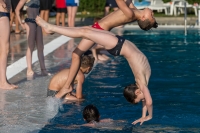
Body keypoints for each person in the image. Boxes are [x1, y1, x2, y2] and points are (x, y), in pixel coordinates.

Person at [36, 16, 154, 125]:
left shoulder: (141, 83)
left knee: (86, 31)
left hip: (119, 44)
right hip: (119, 45)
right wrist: (149, 116)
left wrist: (143, 115)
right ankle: (51, 28)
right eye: (141, 99)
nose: (144, 99)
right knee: (86, 31)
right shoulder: (142, 84)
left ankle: (51, 28)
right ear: (138, 92)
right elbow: (148, 102)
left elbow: (145, 101)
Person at [15, 0, 50, 80]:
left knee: (40, 46)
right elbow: (17, 9)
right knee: (31, 46)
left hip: (38, 22)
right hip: (30, 21)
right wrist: (21, 23)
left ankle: (43, 69)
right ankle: (29, 69)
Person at [0, 0, 18, 89]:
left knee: (3, 49)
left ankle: (3, 79)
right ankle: (3, 82)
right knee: (4, 49)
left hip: (4, 13)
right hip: (2, 13)